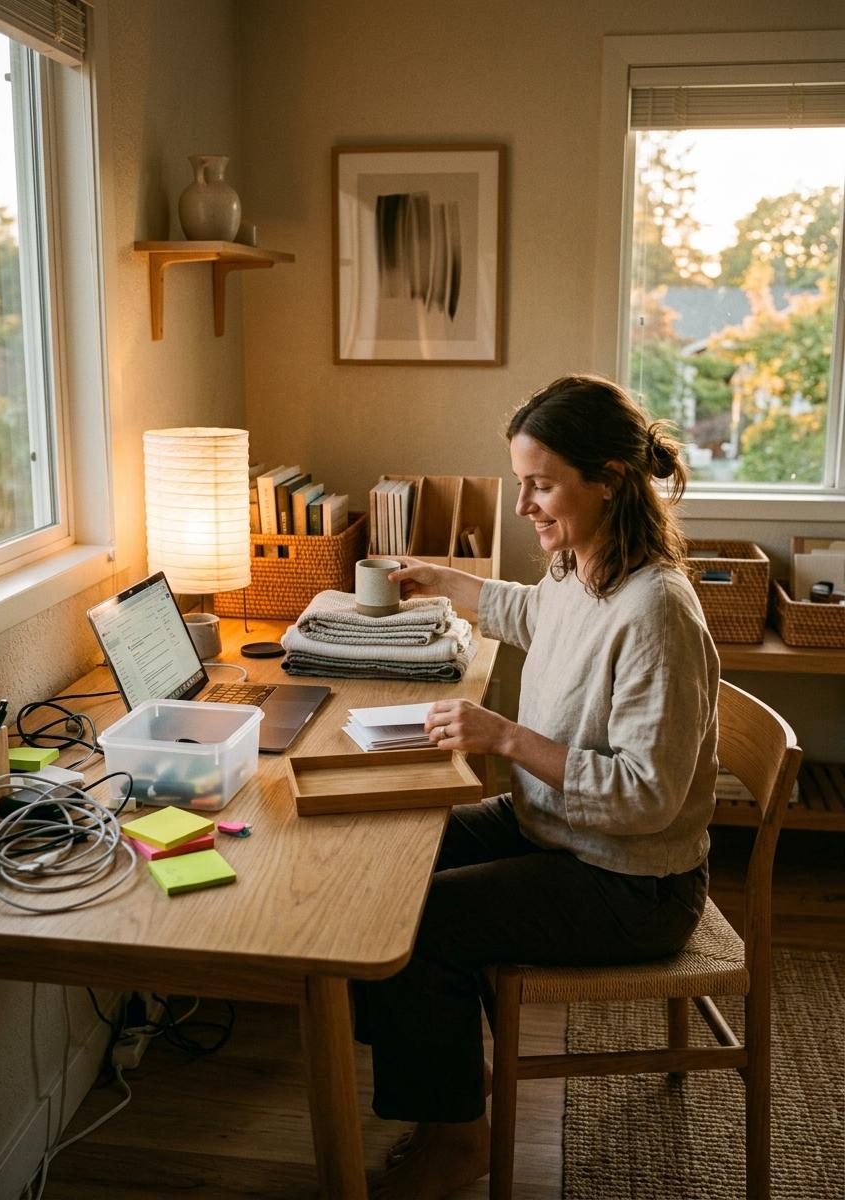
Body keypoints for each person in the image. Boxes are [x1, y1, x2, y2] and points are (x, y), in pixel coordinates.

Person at [354, 373, 720, 1200]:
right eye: (521, 482)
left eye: (541, 485)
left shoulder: (657, 611)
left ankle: (458, 1142)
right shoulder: (580, 565)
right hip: (558, 830)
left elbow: (646, 797)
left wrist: (506, 737)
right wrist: (446, 580)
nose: (523, 505)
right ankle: (447, 1078)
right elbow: (536, 614)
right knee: (388, 858)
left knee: (422, 922)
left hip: (634, 884)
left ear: (610, 479)